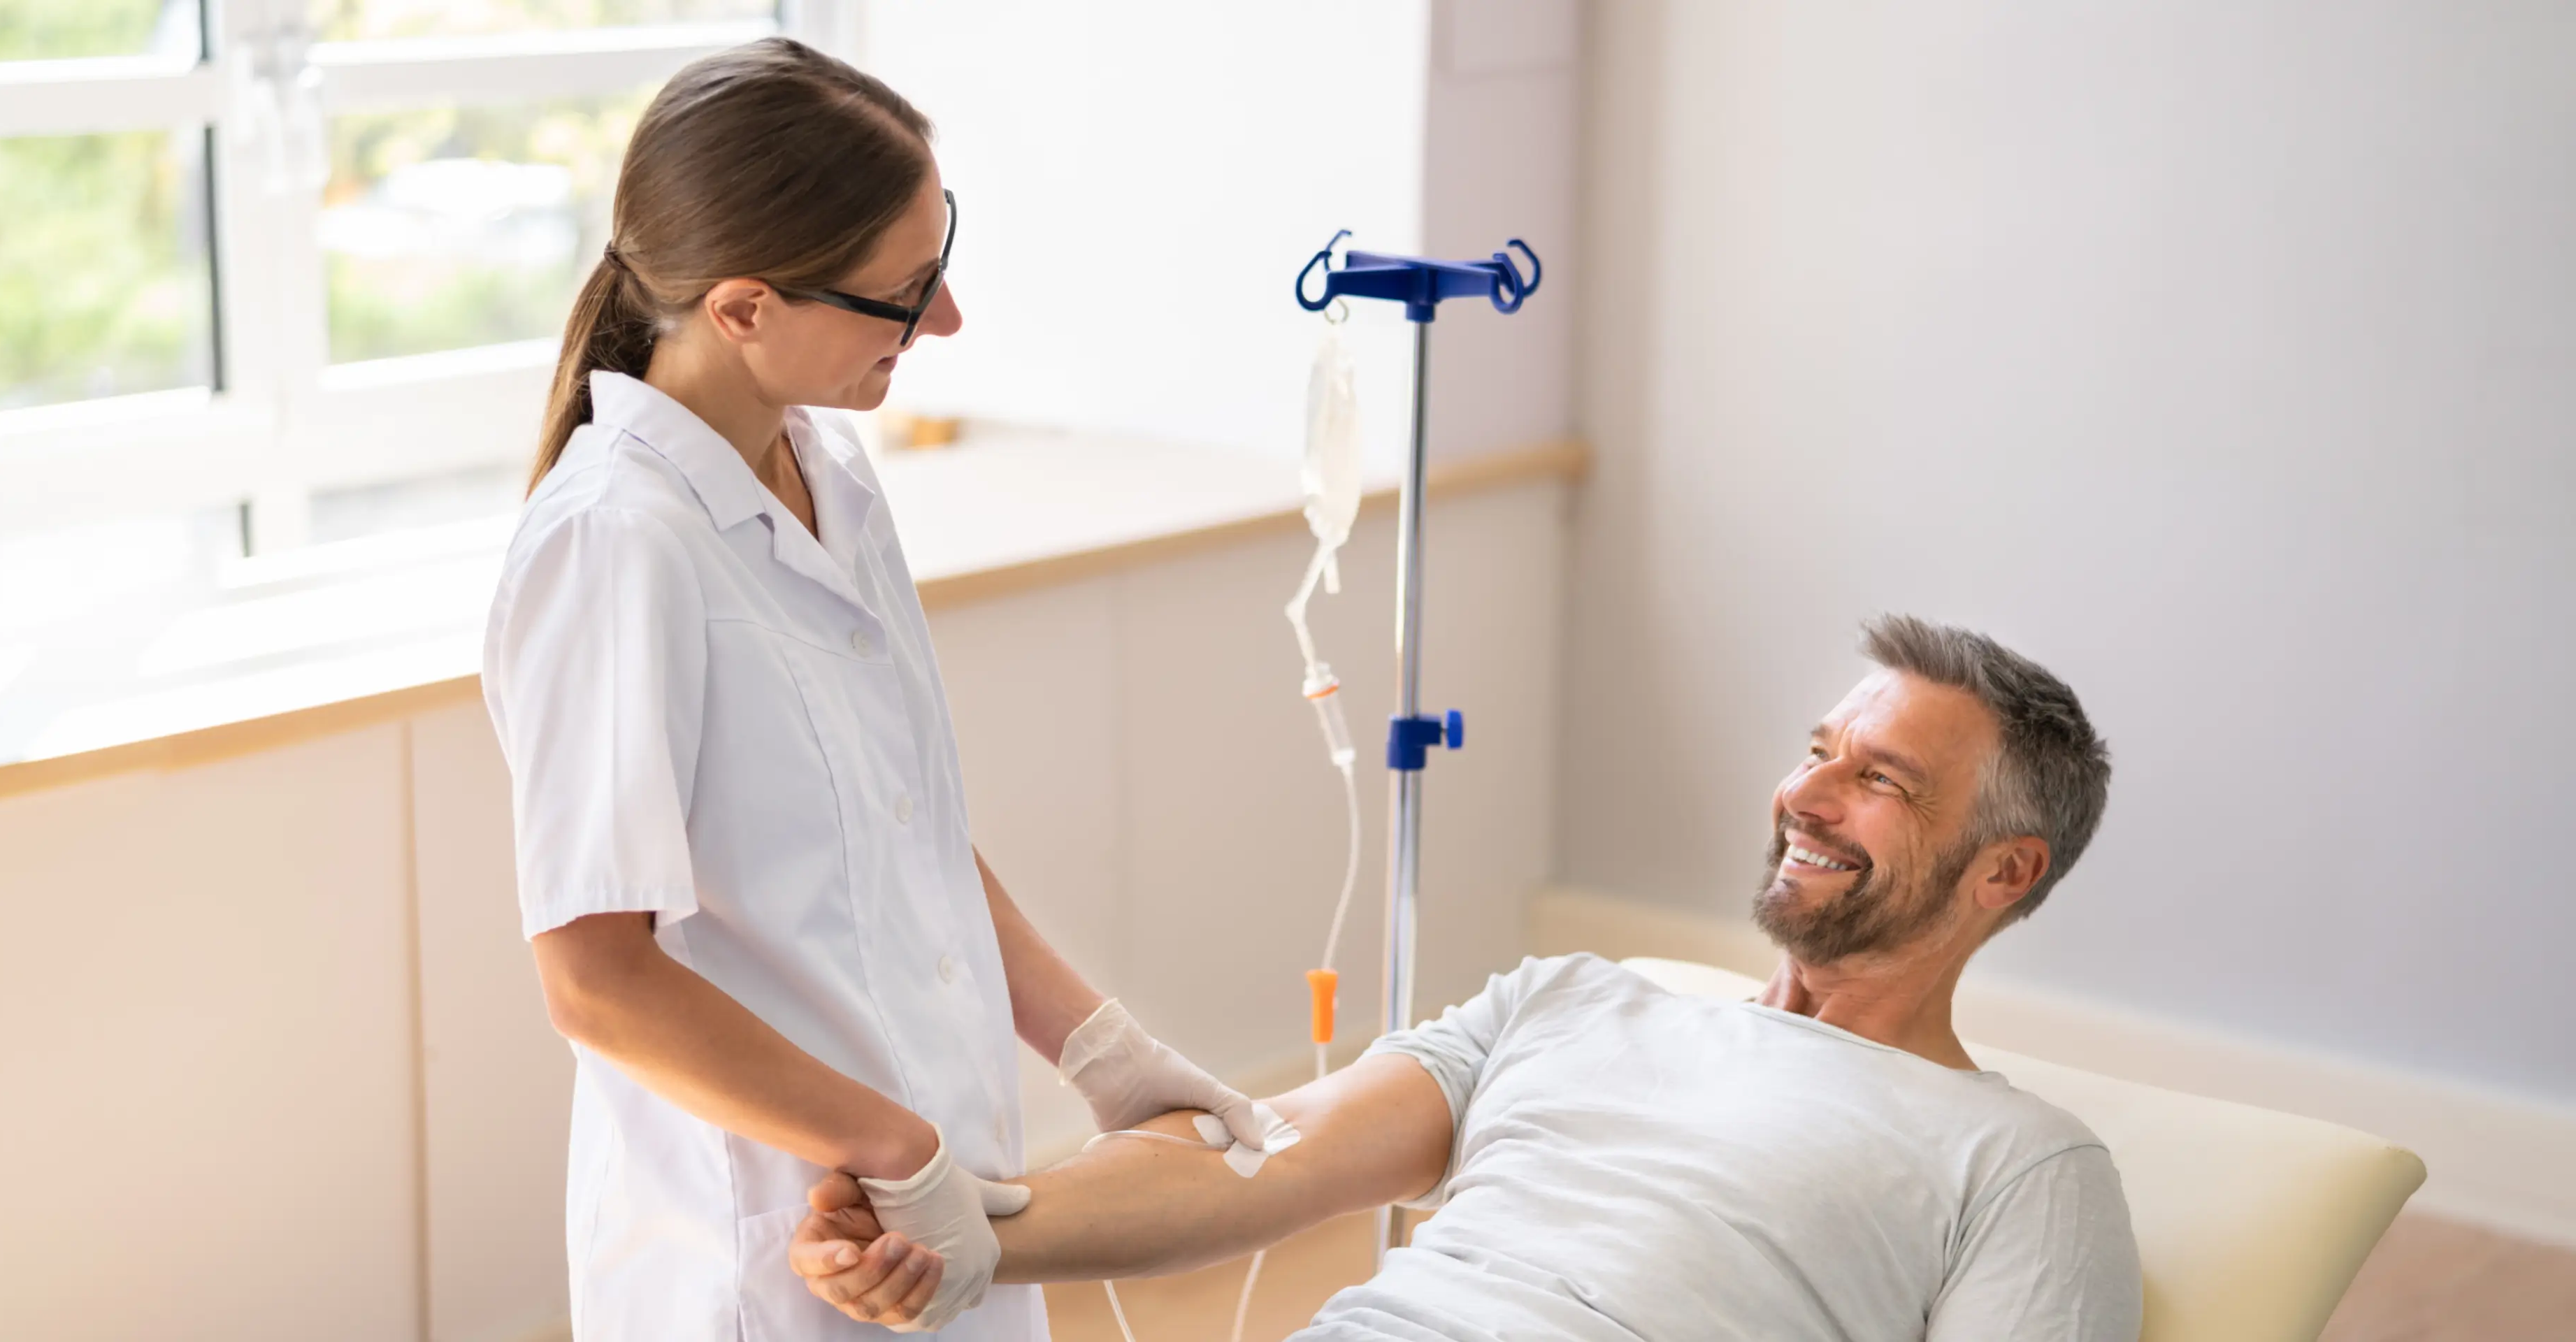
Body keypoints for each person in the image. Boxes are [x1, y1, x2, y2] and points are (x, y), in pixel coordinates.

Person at [479, 38, 1261, 1341]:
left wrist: (1099, 1047)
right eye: (904, 295)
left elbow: (905, 833)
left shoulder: (828, 467)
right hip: (772, 1238)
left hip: (935, 1188)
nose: (943, 322)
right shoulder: (618, 542)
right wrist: (892, 1147)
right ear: (742, 308)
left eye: (938, 264)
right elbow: (596, 979)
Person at [791, 616, 2144, 1341]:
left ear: (2004, 875)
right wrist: (962, 1227)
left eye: (1880, 781)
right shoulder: (1573, 998)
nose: (1806, 795)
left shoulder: (2018, 1164)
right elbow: (1256, 1162)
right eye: (1818, 750)